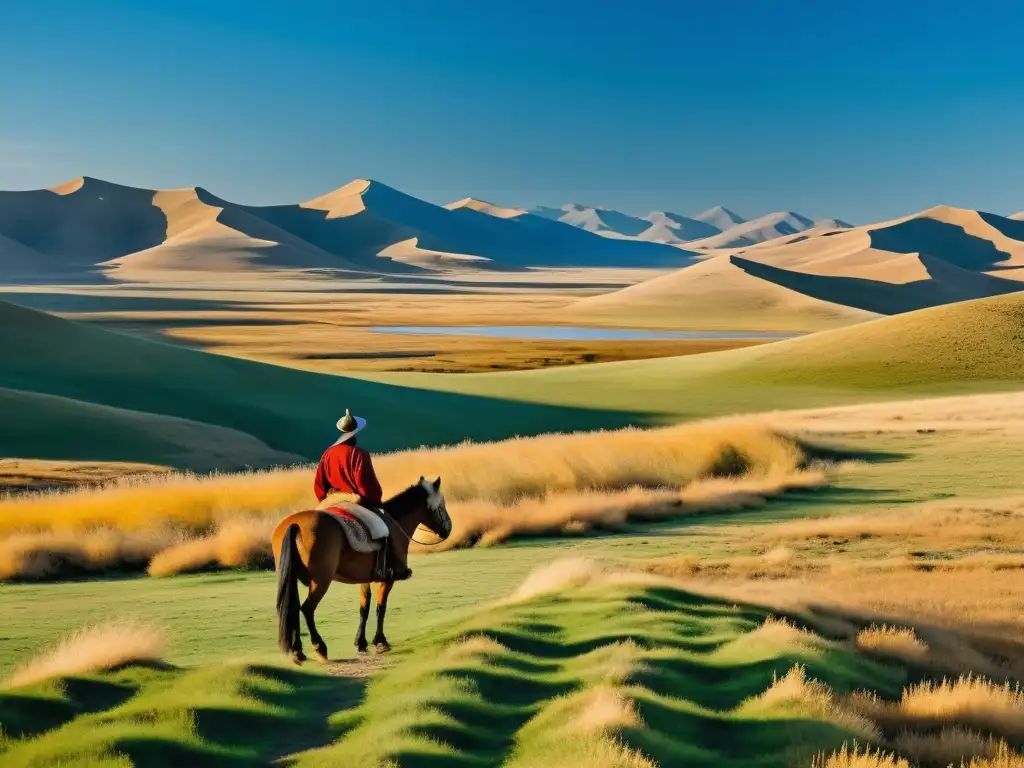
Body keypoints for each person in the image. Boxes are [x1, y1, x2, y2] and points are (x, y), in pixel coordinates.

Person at [314, 409, 412, 581]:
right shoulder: (360, 454)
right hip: (356, 503)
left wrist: (327, 501)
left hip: (331, 504)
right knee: (386, 528)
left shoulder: (327, 454)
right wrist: (375, 500)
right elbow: (368, 487)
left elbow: (319, 486)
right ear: (355, 434)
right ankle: (386, 570)